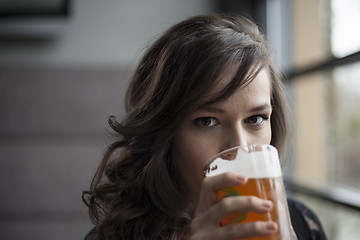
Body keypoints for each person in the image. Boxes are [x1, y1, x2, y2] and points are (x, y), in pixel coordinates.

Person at [82, 14, 327, 239]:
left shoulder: (303, 225)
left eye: (255, 119)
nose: (239, 147)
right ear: (163, 132)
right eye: (207, 121)